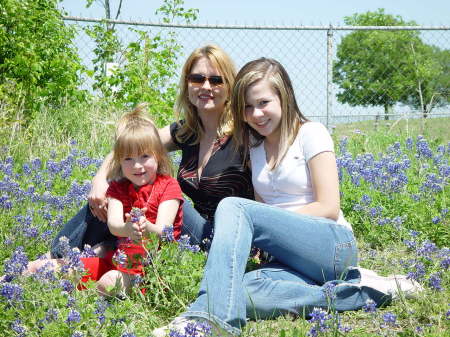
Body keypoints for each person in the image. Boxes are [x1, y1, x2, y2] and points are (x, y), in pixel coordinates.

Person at [152, 58, 422, 336]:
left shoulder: (311, 133)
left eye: (263, 103)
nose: (256, 114)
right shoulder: (254, 145)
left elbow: (328, 207)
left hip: (331, 244)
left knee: (233, 208)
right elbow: (262, 205)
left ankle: (208, 321)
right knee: (236, 289)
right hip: (286, 254)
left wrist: (267, 225)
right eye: (247, 106)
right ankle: (362, 292)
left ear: (284, 97)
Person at [50, 45, 254, 258]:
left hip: (227, 238)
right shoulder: (186, 132)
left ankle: (91, 253)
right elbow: (128, 147)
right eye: (197, 79)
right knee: (117, 190)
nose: (205, 86)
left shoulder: (243, 134)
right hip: (188, 239)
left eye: (216, 80)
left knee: (174, 201)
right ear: (187, 83)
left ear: (230, 85)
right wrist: (100, 179)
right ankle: (58, 257)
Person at [26, 106, 183, 296]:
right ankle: (19, 275)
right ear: (118, 161)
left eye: (145, 156)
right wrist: (128, 228)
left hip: (151, 266)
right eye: (128, 159)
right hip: (118, 259)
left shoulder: (169, 185)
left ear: (158, 154)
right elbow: (114, 225)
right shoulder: (118, 188)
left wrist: (145, 227)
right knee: (50, 269)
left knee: (107, 283)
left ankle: (106, 293)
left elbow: (164, 230)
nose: (137, 165)